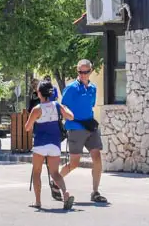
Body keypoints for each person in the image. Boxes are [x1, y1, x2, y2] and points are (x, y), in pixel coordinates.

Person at [59, 59, 107, 203]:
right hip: (76, 127)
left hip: (90, 126)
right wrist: (69, 118)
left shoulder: (93, 88)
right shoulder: (71, 88)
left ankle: (95, 191)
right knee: (74, 163)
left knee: (97, 157)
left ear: (90, 71)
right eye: (81, 72)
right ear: (77, 71)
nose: (83, 74)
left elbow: (90, 105)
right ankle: (55, 181)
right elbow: (63, 106)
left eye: (86, 72)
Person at [25, 80, 75, 210]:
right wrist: (66, 108)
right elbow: (71, 116)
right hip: (55, 143)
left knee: (36, 172)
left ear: (39, 93)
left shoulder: (37, 109)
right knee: (55, 173)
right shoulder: (57, 106)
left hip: (40, 143)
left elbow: (27, 127)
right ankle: (65, 193)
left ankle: (38, 201)